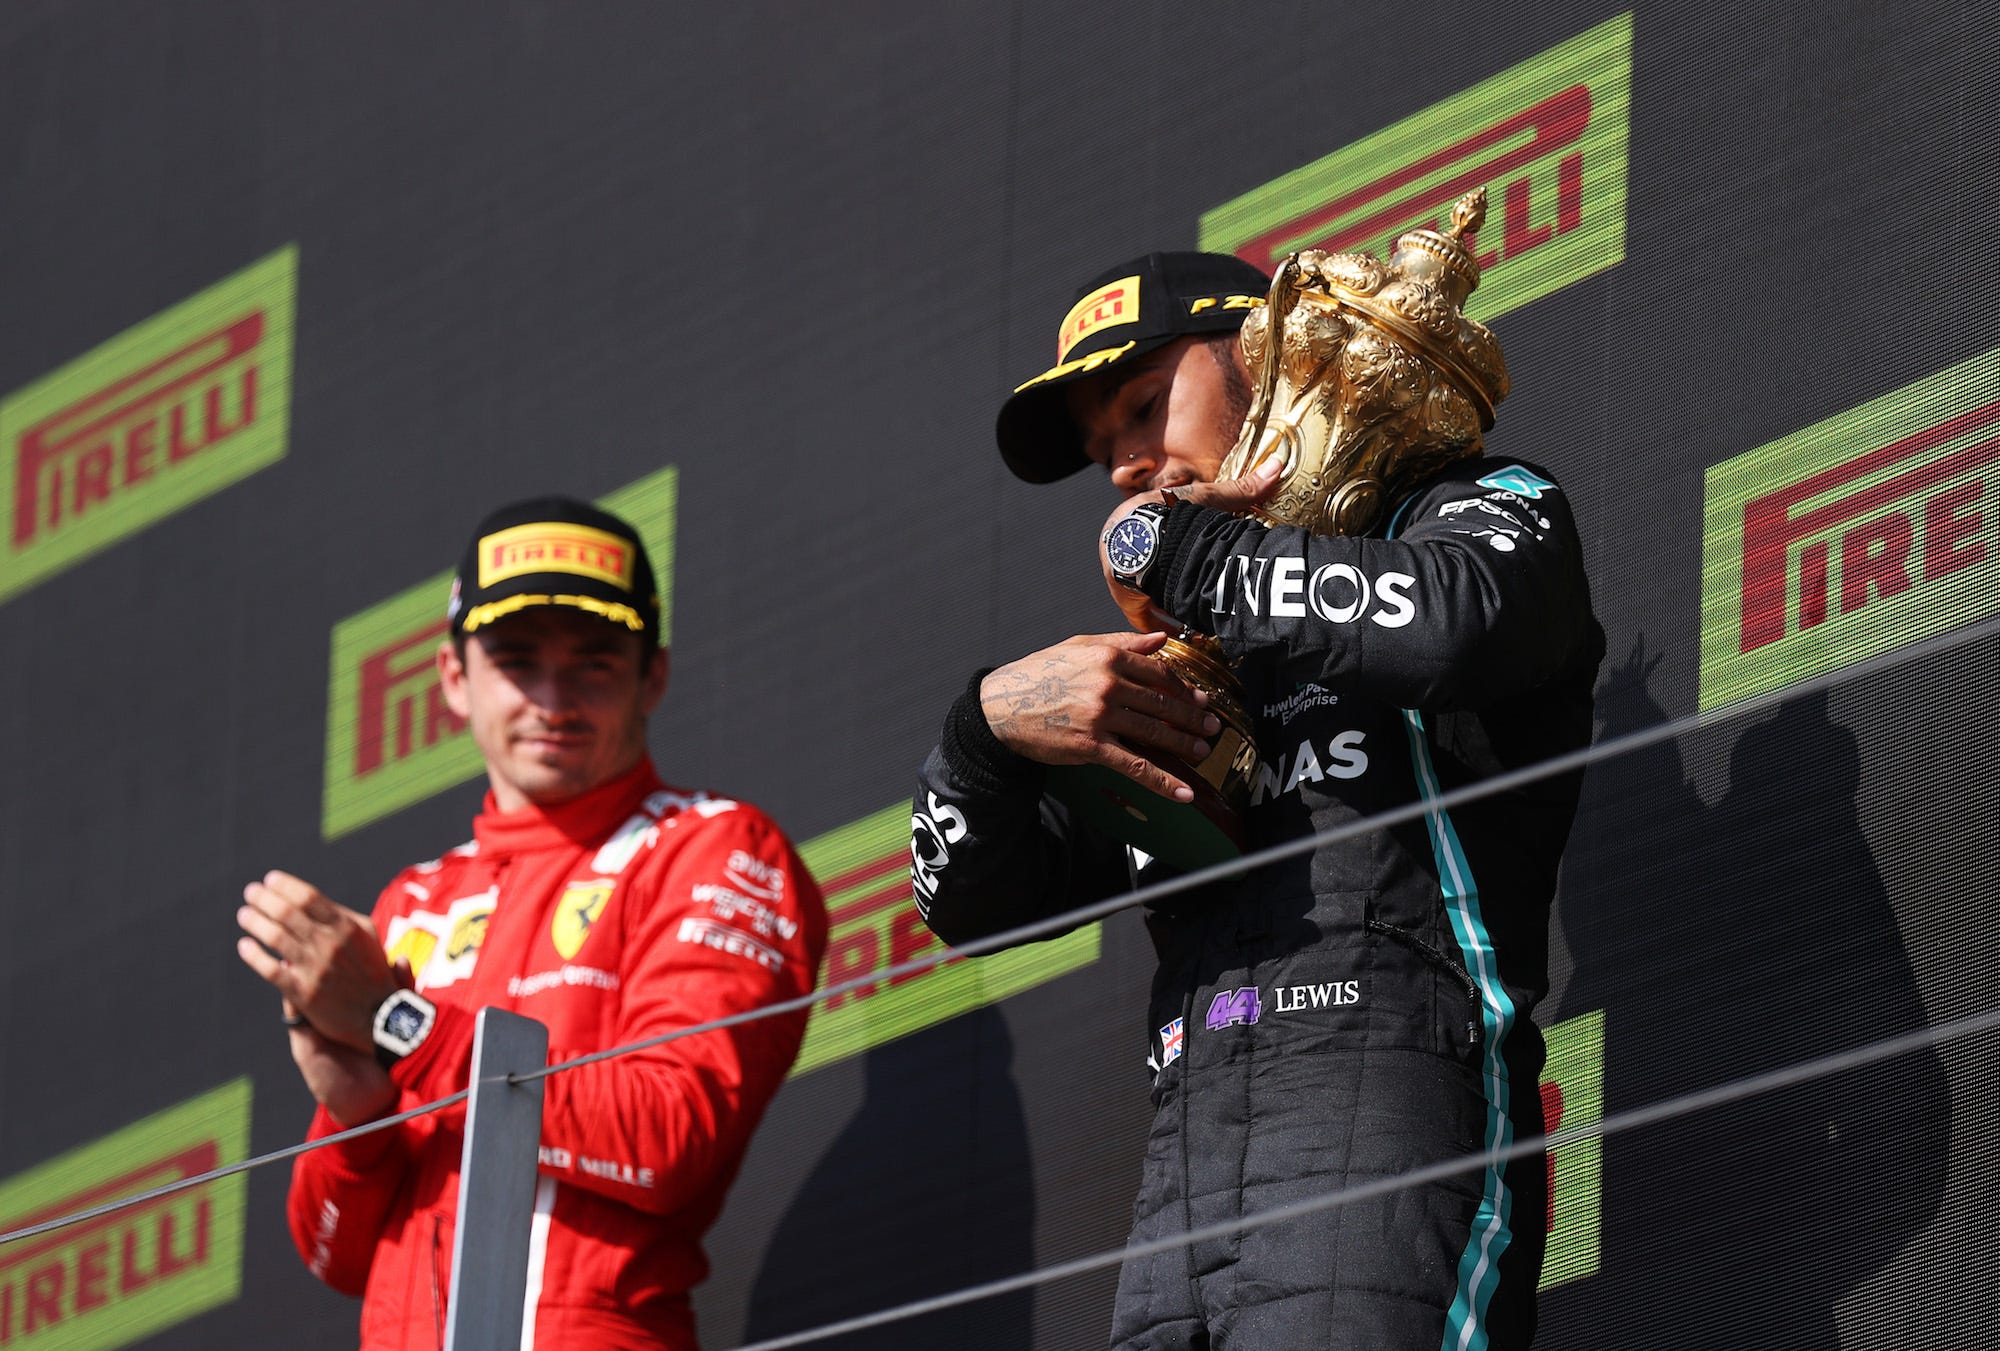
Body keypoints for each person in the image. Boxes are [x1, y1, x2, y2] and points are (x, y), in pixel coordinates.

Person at [910, 250, 1603, 1349]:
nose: (1125, 468)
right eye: (1103, 456)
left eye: (1143, 408)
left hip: (1392, 1111)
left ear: (1269, 352)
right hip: (1180, 1160)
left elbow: (1466, 619)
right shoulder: (1171, 666)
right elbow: (968, 899)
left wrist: (1185, 552)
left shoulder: (1460, 506)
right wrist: (981, 736)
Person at [237, 497, 827, 1350]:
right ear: (451, 677)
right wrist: (353, 1114)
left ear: (651, 676)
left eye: (594, 663)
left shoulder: (714, 846)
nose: (554, 700)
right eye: (516, 661)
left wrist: (399, 1025)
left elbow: (671, 1139)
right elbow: (335, 1252)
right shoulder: (415, 900)